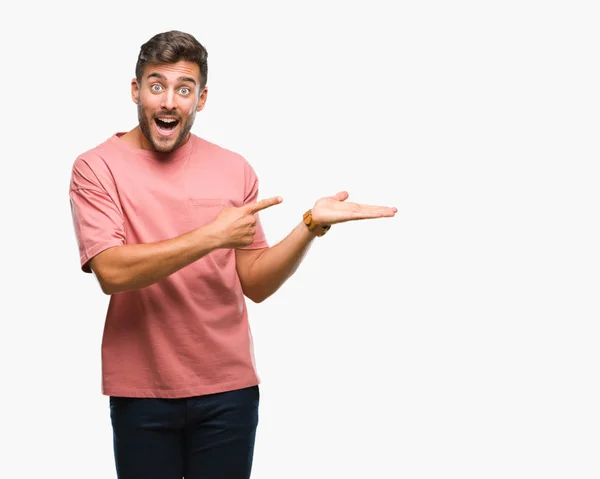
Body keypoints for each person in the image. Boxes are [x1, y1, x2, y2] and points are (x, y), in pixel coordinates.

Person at [68, 30, 397, 479]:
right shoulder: (96, 167)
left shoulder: (233, 168)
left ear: (200, 100)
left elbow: (255, 283)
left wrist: (310, 226)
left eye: (184, 89)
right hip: (141, 392)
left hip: (229, 392)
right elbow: (110, 270)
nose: (169, 101)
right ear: (135, 90)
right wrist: (210, 236)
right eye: (156, 85)